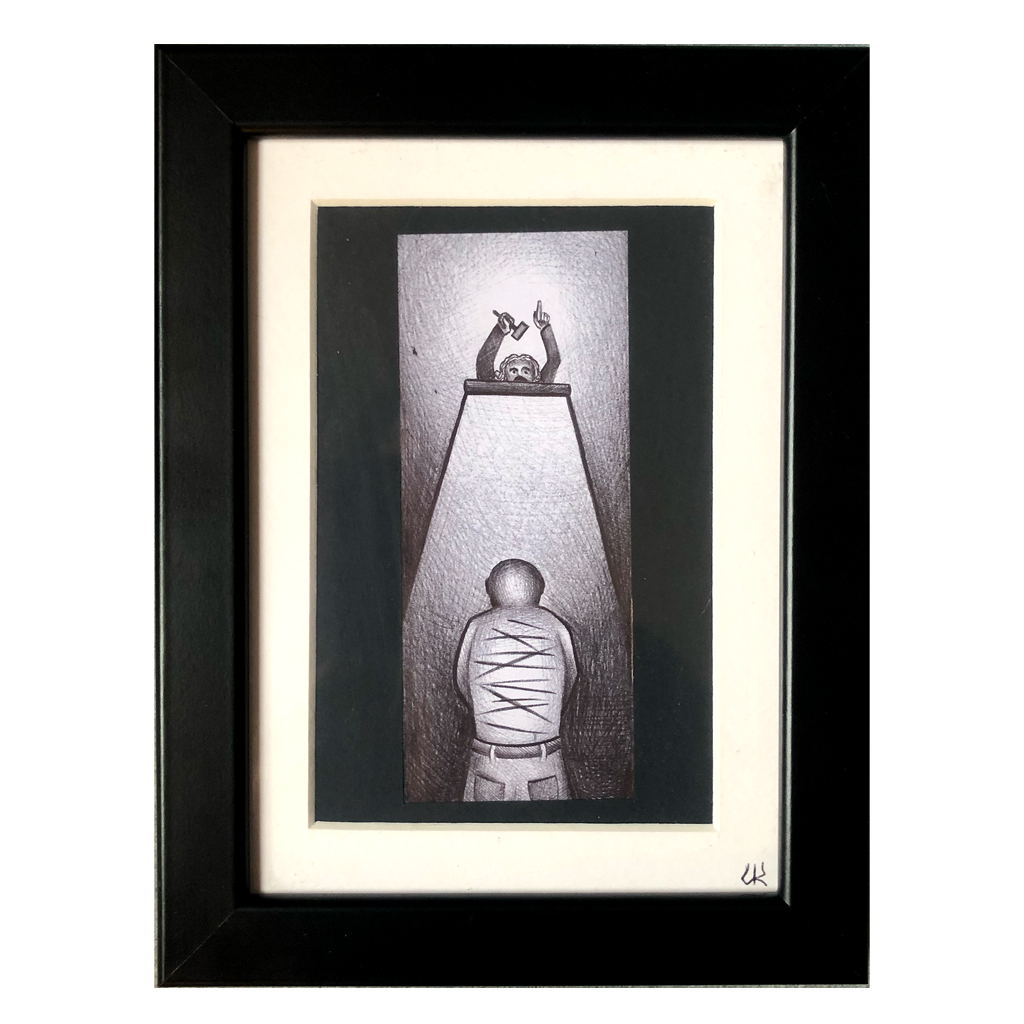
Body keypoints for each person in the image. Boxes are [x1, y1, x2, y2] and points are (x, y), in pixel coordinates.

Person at [455, 559, 577, 801]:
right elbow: (570, 680)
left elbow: (462, 682)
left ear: (490, 588)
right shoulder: (556, 626)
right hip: (545, 760)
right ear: (539, 588)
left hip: (489, 760)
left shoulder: (476, 626)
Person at [476, 300, 561, 383]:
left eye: (526, 372)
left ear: (536, 377)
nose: (519, 375)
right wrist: (499, 331)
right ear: (503, 376)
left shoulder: (542, 387)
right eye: (513, 371)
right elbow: (483, 363)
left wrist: (545, 328)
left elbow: (554, 361)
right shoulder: (495, 388)